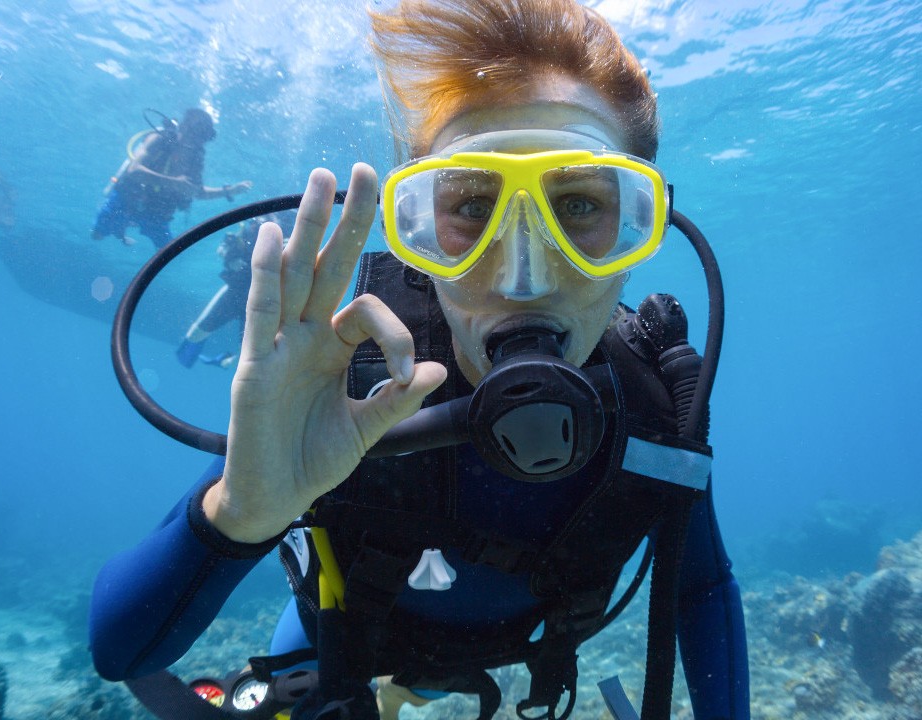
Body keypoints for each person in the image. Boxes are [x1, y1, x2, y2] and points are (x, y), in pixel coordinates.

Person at [89, 2, 750, 719]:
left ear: (639, 230)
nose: (521, 278)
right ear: (417, 232)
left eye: (581, 206)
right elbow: (120, 653)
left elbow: (702, 589)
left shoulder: (656, 405)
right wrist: (238, 514)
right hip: (340, 648)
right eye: (470, 207)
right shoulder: (350, 379)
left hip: (511, 653)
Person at [91, 108, 252, 250]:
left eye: (202, 138)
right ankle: (118, 231)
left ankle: (125, 232)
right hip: (126, 202)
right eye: (194, 134)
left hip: (157, 214)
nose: (195, 142)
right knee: (96, 235)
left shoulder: (196, 159)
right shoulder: (159, 139)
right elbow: (133, 170)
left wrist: (228, 191)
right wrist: (174, 182)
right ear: (183, 127)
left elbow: (196, 192)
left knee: (168, 251)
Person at [176, 213, 296, 369]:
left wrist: (288, 252)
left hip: (263, 300)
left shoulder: (288, 237)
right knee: (194, 335)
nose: (261, 221)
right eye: (260, 219)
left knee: (250, 353)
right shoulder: (246, 232)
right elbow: (222, 248)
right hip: (235, 292)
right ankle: (200, 359)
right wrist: (229, 257)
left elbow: (299, 268)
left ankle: (225, 361)